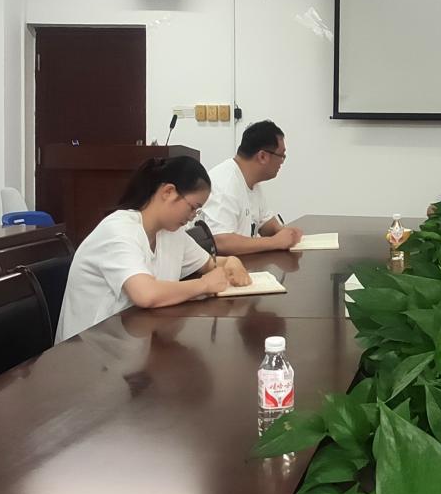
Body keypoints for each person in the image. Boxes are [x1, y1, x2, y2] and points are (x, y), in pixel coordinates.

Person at [58, 156, 251, 343]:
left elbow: (210, 263)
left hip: (133, 341)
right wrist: (204, 285)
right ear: (168, 192)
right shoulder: (119, 230)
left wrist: (230, 261)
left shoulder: (171, 233)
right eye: (193, 207)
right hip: (89, 350)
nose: (193, 216)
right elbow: (145, 294)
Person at [200, 120, 303, 254]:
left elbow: (266, 224)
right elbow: (221, 242)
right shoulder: (225, 183)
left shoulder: (251, 181)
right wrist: (275, 241)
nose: (282, 162)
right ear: (262, 156)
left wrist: (285, 233)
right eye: (281, 155)